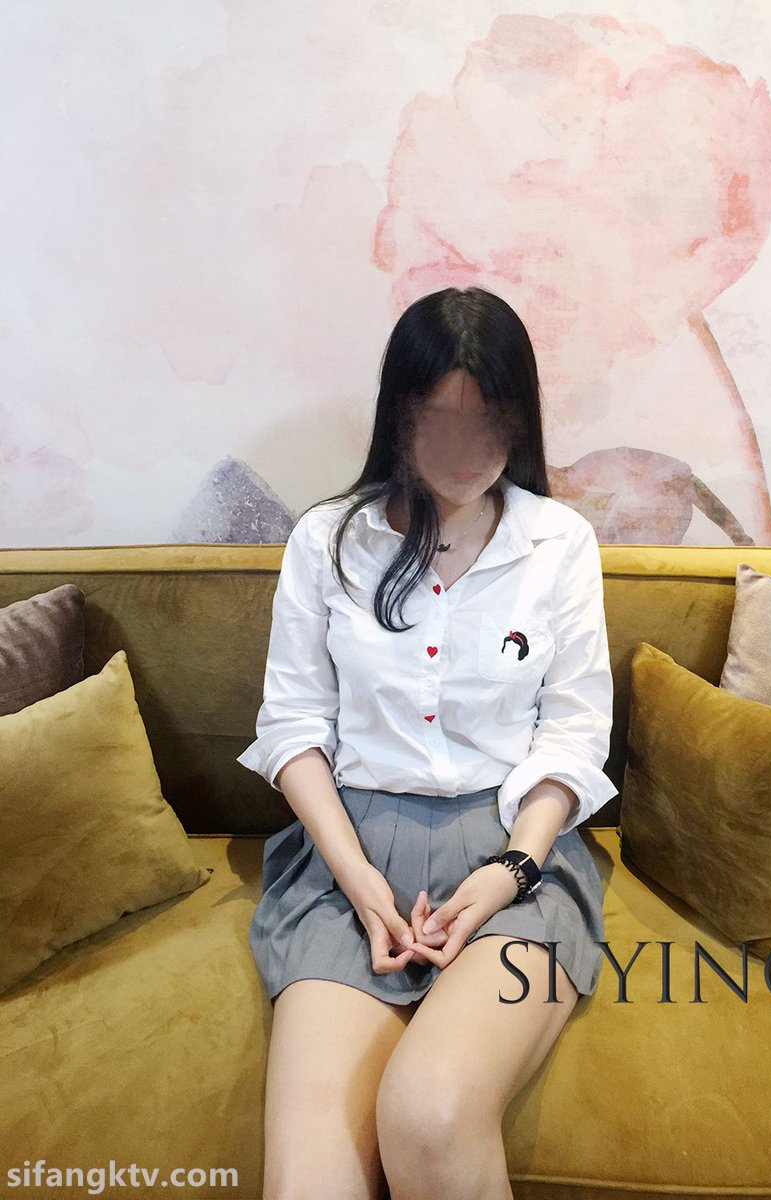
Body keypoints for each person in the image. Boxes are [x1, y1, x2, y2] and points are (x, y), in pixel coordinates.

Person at [236, 286, 617, 1200]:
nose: (467, 450)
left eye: (491, 422)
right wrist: (360, 882)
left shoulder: (558, 542)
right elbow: (292, 729)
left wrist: (511, 870)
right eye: (442, 422)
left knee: (431, 1116)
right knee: (310, 1182)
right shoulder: (328, 541)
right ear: (399, 417)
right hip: (351, 853)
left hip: (514, 850)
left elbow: (573, 730)